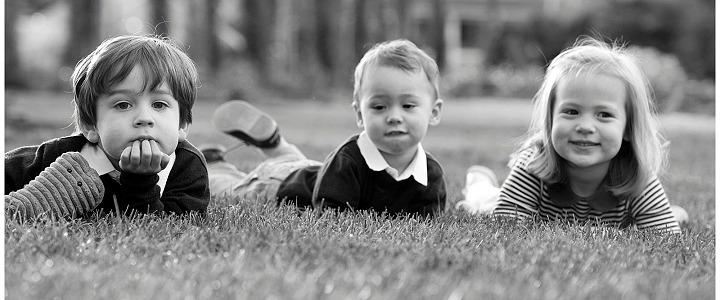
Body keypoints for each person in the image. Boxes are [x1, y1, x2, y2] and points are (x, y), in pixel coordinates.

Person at [456, 37, 684, 233]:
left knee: (665, 216)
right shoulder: (533, 165)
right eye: (571, 111)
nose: (585, 126)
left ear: (628, 128)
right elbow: (506, 225)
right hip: (507, 203)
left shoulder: (638, 175)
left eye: (604, 114)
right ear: (551, 119)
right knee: (484, 203)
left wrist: (662, 219)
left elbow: (666, 237)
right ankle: (479, 182)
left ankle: (672, 211)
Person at [204, 39, 446, 217]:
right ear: (360, 115)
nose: (394, 117)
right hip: (279, 185)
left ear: (433, 113)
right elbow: (330, 216)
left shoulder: (431, 173)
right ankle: (214, 166)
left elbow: (425, 220)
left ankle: (276, 145)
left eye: (408, 105)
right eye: (380, 107)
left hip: (312, 171)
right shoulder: (349, 159)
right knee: (233, 189)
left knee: (301, 166)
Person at [5, 35, 210, 220]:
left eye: (159, 105)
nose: (144, 118)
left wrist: (141, 181)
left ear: (182, 124)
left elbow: (168, 229)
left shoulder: (187, 167)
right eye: (123, 105)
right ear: (90, 125)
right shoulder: (63, 155)